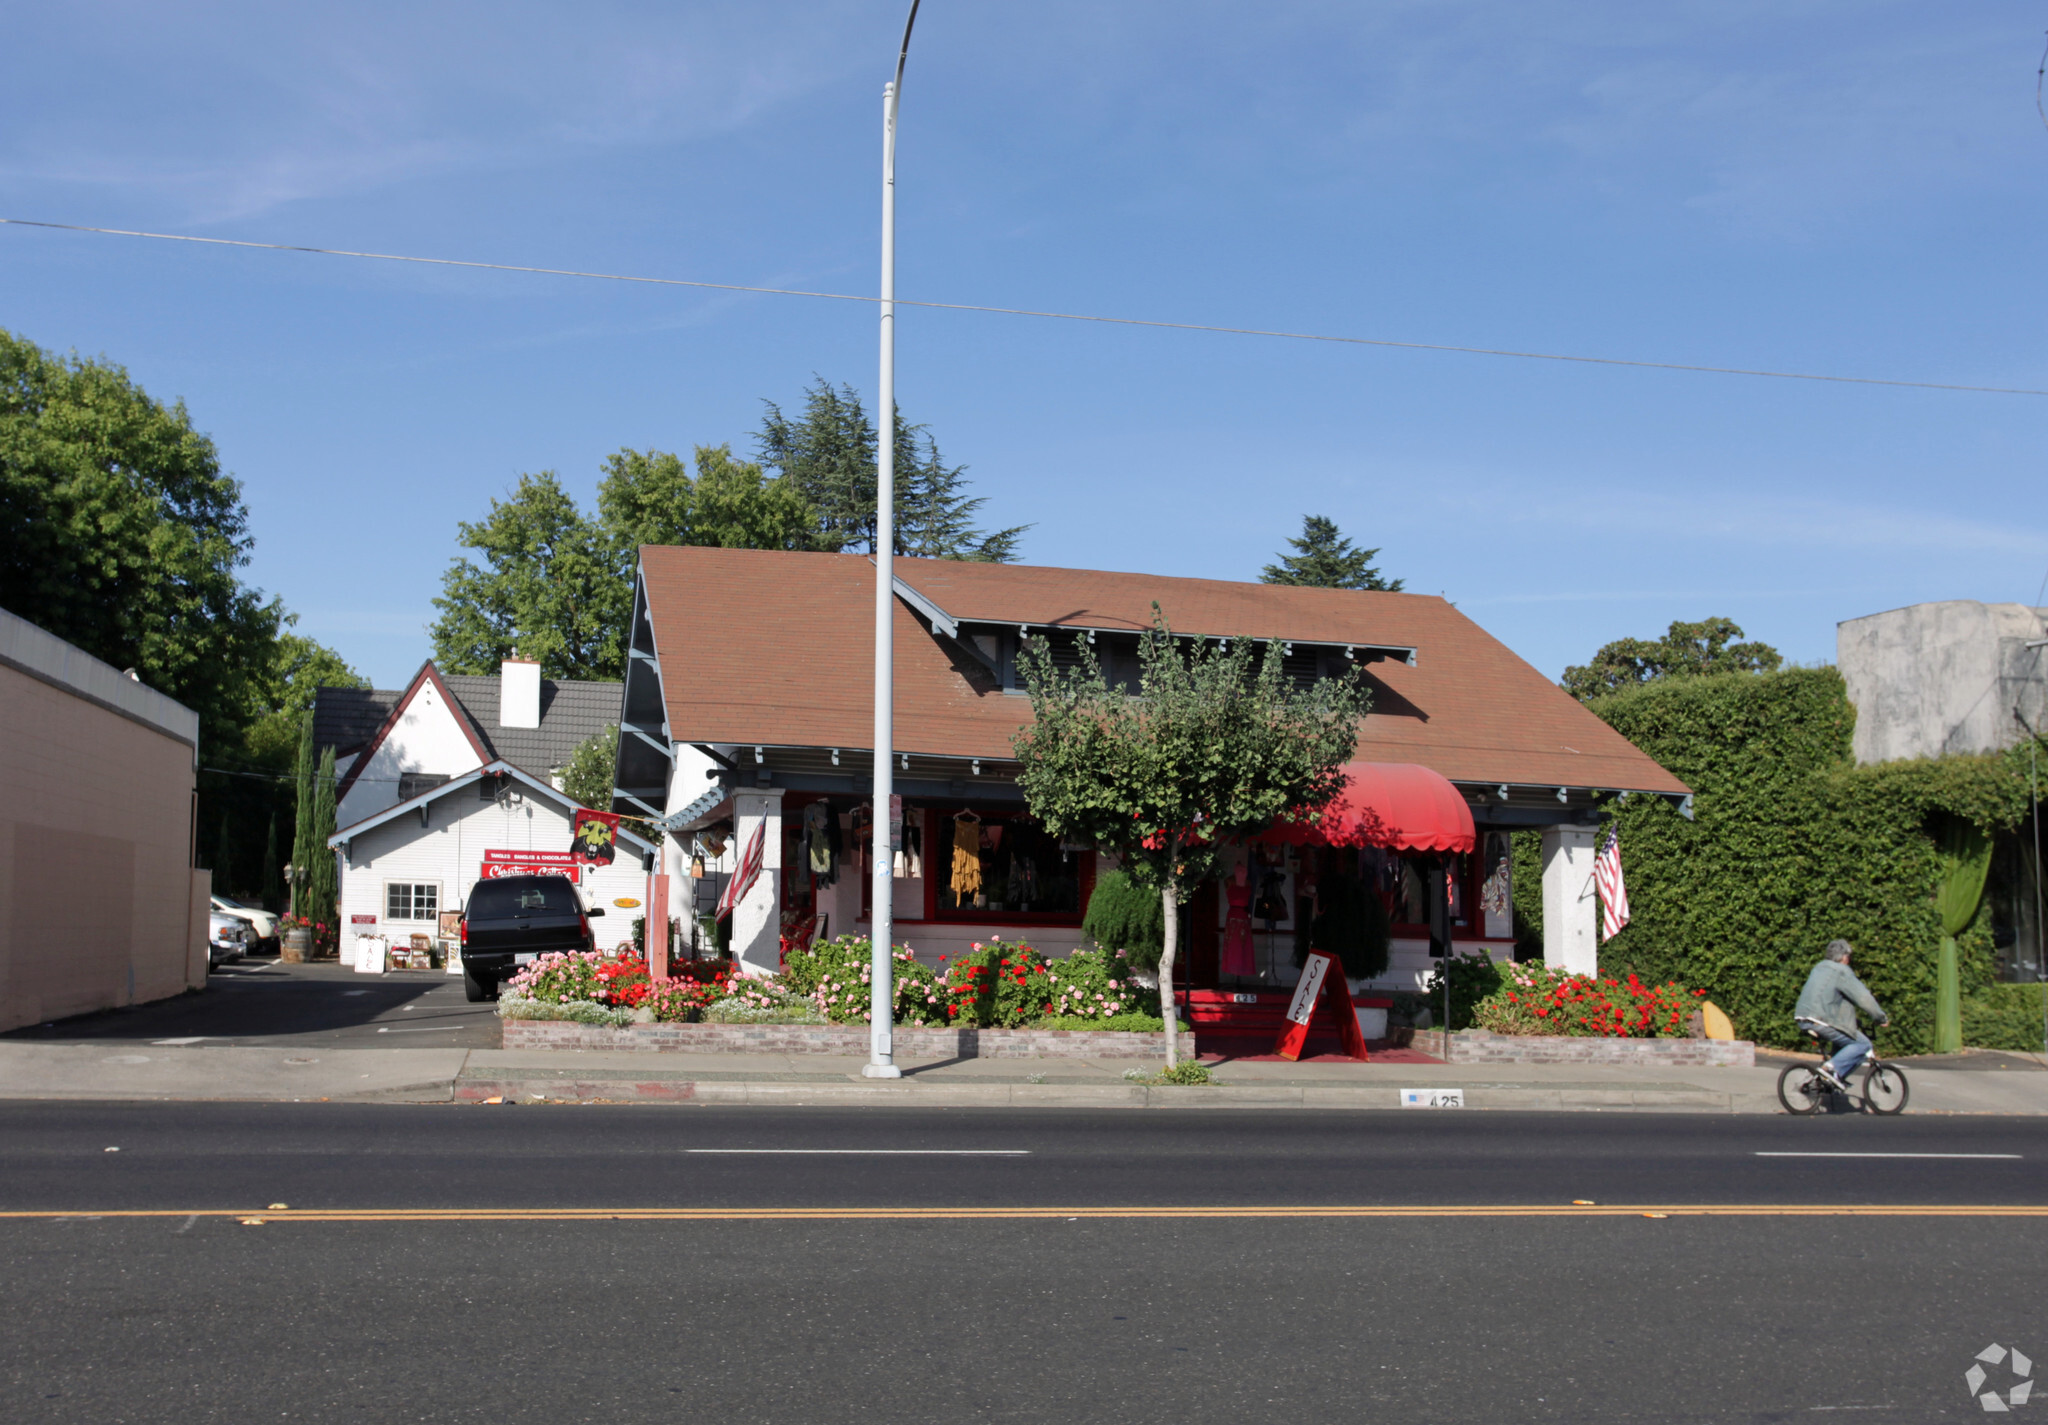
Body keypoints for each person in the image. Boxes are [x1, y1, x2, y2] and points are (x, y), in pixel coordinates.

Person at [1793, 939, 1889, 1091]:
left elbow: (1830, 999)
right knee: (1862, 1044)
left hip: (1803, 1017)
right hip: (1820, 1020)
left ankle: (1833, 1079)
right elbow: (1863, 998)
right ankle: (1829, 1069)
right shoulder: (1841, 971)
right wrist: (1880, 1017)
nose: (1849, 961)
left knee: (1844, 1042)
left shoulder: (1819, 968)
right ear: (1843, 957)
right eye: (1848, 957)